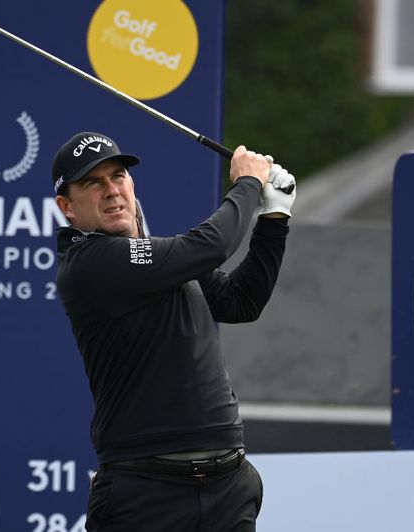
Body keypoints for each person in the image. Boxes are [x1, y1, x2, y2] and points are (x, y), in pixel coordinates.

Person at [52, 131, 296, 532]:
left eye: (118, 176)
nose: (111, 190)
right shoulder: (87, 263)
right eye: (92, 182)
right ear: (67, 208)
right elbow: (213, 245)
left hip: (227, 485)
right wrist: (249, 183)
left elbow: (241, 302)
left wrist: (274, 219)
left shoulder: (165, 259)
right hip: (147, 492)